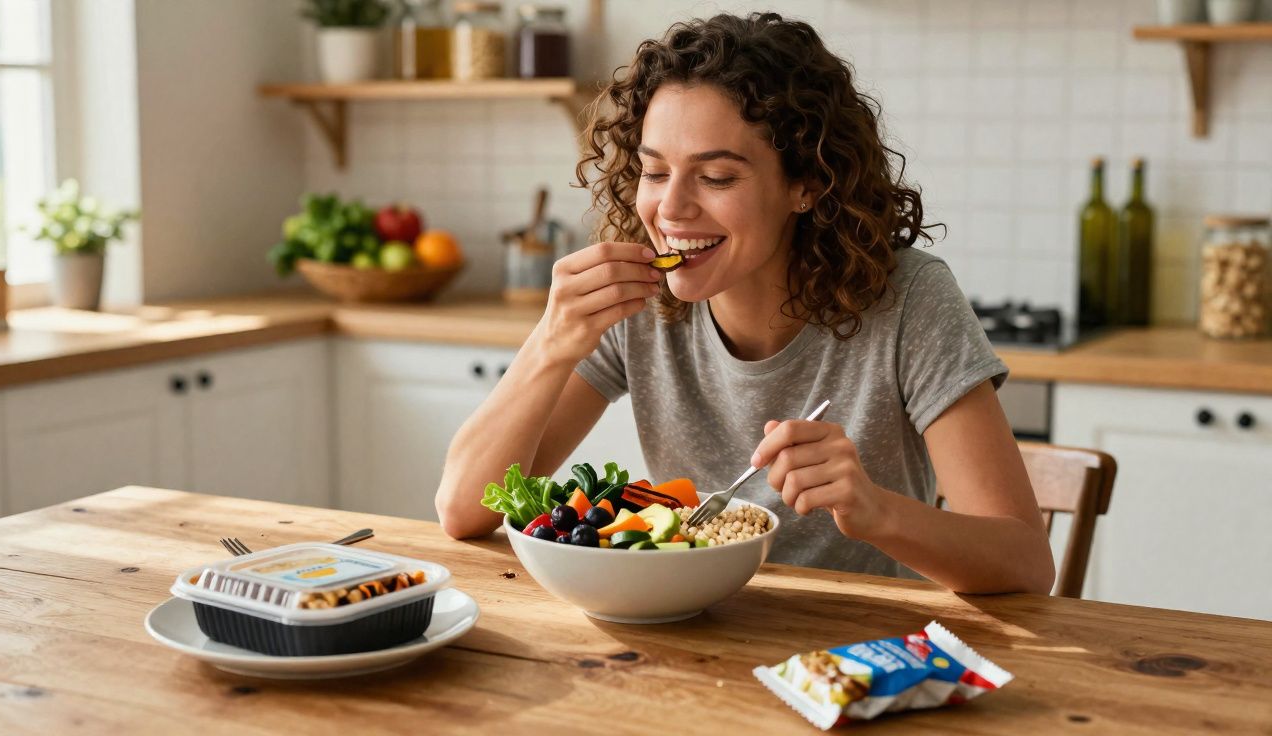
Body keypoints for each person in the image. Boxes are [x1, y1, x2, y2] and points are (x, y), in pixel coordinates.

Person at [436, 12, 1055, 594]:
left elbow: (1026, 563)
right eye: (654, 172)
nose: (671, 209)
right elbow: (462, 510)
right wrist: (549, 343)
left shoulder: (908, 299)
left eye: (717, 177)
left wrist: (873, 510)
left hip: (861, 654)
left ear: (807, 184)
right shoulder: (637, 301)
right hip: (692, 634)